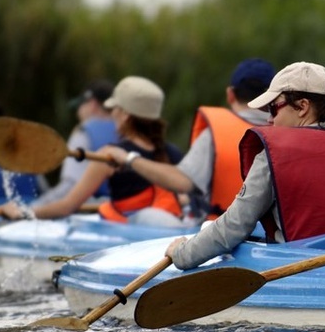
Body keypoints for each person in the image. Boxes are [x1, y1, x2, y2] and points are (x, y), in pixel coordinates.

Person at [164, 61, 325, 270]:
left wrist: (183, 254)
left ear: (302, 106)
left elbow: (232, 229)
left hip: (303, 267)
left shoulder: (273, 157)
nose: (269, 119)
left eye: (273, 108)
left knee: (212, 227)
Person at [103, 58, 275, 221]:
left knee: (147, 216)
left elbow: (183, 182)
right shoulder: (290, 130)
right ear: (272, 97)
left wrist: (128, 159)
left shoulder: (216, 134)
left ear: (230, 95)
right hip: (280, 238)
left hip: (226, 235)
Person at [0, 76, 186, 225]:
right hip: (167, 228)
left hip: (134, 234)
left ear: (125, 115)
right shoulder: (174, 153)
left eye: (115, 108)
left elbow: (67, 206)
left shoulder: (109, 156)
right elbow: (184, 199)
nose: (112, 113)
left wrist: (23, 213)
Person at [32, 79, 118, 206]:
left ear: (92, 104)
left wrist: (31, 208)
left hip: (91, 212)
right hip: (123, 210)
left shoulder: (83, 133)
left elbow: (70, 186)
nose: (78, 112)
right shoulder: (129, 132)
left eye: (80, 105)